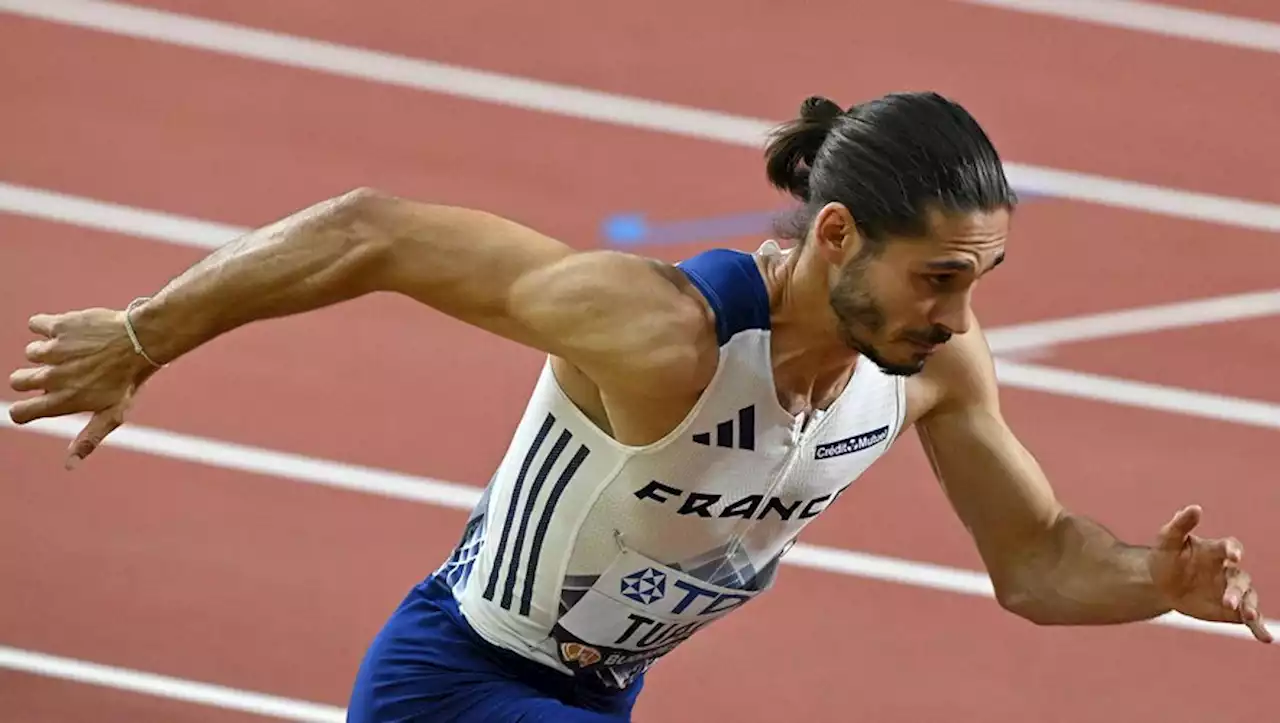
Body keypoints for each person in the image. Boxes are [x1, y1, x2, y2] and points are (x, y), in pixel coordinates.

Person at [8, 91, 1270, 722]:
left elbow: (1037, 562)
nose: (955, 311)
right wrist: (140, 334)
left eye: (978, 279)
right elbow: (371, 231)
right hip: (459, 681)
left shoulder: (934, 361)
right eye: (935, 276)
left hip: (599, 694)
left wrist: (1150, 585)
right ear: (836, 234)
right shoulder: (663, 330)